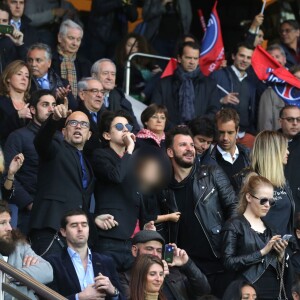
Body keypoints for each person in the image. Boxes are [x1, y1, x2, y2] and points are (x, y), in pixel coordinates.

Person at [163, 126, 237, 297]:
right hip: (189, 270)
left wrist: (229, 246)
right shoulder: (164, 189)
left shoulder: (211, 174)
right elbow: (165, 232)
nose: (190, 149)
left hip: (220, 263)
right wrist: (168, 262)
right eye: (183, 145)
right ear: (170, 152)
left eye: (191, 144)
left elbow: (234, 208)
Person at [29, 99, 94, 256]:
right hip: (51, 228)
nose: (78, 126)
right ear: (64, 131)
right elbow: (41, 141)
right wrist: (54, 120)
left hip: (74, 237)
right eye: (73, 123)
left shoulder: (87, 162)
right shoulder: (56, 146)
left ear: (89, 135)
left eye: (84, 124)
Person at [222, 174, 292, 299]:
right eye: (263, 200)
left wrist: (281, 256)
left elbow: (281, 270)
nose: (267, 205)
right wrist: (262, 252)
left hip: (274, 290)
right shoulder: (234, 225)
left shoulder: (272, 229)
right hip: (249, 291)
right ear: (249, 197)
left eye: (271, 201)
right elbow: (228, 262)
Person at [3, 90, 57, 236]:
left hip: (56, 211)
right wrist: (29, 203)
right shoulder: (18, 137)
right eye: (45, 105)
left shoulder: (60, 137)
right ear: (32, 109)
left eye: (54, 105)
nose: (51, 109)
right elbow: (7, 174)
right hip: (27, 213)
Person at [92, 110, 140, 271]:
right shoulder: (100, 155)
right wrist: (130, 149)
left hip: (132, 239)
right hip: (110, 235)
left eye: (128, 126)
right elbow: (116, 176)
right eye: (119, 126)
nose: (125, 129)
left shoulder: (133, 161)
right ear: (107, 135)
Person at [46, 209, 123, 300]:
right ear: (63, 232)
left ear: (88, 229)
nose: (80, 229)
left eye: (84, 225)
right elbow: (46, 297)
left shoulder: (106, 261)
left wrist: (114, 291)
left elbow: (122, 297)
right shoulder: (52, 262)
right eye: (74, 225)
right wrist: (78, 297)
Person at [119, 230, 211, 300]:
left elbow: (204, 291)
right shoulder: (125, 278)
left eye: (159, 250)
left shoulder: (173, 272)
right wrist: (158, 278)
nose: (155, 254)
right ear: (135, 251)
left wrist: (187, 264)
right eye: (149, 249)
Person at [234, 131, 294, 237]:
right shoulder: (250, 180)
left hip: (285, 249)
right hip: (261, 249)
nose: (288, 152)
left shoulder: (282, 181)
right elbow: (243, 223)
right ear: (273, 151)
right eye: (284, 148)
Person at [151, 41, 218, 126]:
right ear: (179, 58)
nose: (192, 62)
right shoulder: (163, 83)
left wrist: (197, 127)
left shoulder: (210, 84)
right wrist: (174, 129)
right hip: (170, 134)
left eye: (195, 58)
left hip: (199, 134)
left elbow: (214, 111)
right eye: (188, 57)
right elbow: (155, 111)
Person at [0, 200, 53, 299]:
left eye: (9, 222)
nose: (9, 228)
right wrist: (29, 274)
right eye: (3, 223)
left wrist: (10, 277)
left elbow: (48, 271)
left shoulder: (20, 246)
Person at [210, 42, 256, 147]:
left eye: (248, 57)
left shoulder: (252, 83)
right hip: (221, 135)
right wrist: (221, 100)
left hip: (244, 137)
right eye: (242, 55)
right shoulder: (217, 76)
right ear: (233, 56)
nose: (245, 60)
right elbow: (203, 102)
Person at [91, 58, 140, 133]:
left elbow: (135, 128)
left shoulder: (120, 96)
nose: (110, 78)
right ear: (94, 76)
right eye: (105, 73)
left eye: (113, 74)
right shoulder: (85, 95)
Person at [26, 42, 77, 110]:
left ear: (49, 63)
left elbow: (74, 108)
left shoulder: (63, 83)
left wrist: (63, 99)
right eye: (30, 60)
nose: (33, 64)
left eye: (38, 60)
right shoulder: (25, 82)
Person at [115, 32, 162, 102]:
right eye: (129, 45)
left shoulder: (148, 64)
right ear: (124, 47)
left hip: (146, 99)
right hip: (128, 97)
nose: (133, 49)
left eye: (136, 46)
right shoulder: (119, 65)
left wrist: (158, 73)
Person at [51, 19, 92, 99]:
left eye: (78, 39)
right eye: (71, 38)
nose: (75, 43)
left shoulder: (86, 65)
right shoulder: (49, 61)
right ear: (59, 37)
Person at [211, 108, 250, 186]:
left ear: (237, 130)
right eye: (221, 132)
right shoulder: (209, 160)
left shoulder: (248, 155)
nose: (225, 137)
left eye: (230, 133)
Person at [0, 60, 31, 148]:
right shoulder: (1, 103)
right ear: (8, 78)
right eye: (19, 74)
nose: (24, 78)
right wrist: (17, 115)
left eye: (27, 76)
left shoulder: (33, 102)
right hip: (6, 150)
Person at [257, 44, 288, 132]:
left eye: (277, 56)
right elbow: (265, 121)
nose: (274, 60)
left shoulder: (295, 78)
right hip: (275, 135)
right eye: (271, 57)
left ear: (284, 59)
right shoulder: (261, 82)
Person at [76, 77, 106, 159]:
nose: (100, 95)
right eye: (94, 91)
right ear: (82, 95)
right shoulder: (74, 115)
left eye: (102, 92)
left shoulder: (107, 116)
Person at [282, 105, 300, 213]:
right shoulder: (271, 142)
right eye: (290, 119)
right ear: (280, 121)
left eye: (298, 119)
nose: (295, 123)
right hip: (278, 205)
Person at [0, 3, 26, 73]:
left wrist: (19, 45)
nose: (0, 24)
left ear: (9, 24)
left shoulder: (9, 44)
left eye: (4, 21)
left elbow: (21, 69)